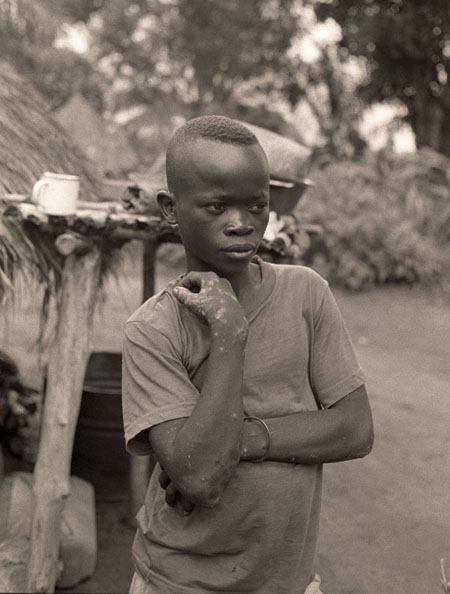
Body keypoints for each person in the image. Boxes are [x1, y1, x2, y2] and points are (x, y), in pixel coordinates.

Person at [122, 115, 374, 594]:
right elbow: (200, 478)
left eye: (256, 205)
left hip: (289, 582)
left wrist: (240, 440)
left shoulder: (307, 293)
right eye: (216, 206)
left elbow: (354, 429)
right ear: (171, 210)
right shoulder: (152, 330)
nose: (241, 224)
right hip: (179, 582)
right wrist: (229, 331)